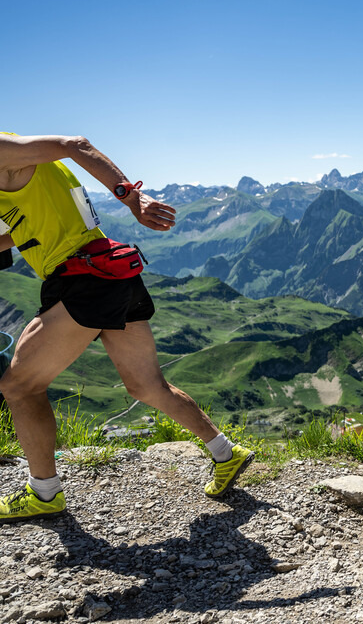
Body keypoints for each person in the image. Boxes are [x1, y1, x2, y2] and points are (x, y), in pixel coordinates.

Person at [0, 132, 254, 524]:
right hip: (111, 270)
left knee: (19, 386)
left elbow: (75, 144)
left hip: (82, 278)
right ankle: (226, 452)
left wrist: (133, 199)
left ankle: (44, 492)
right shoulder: (18, 167)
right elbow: (26, 229)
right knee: (147, 386)